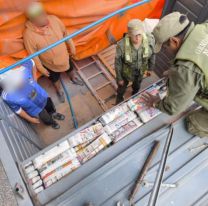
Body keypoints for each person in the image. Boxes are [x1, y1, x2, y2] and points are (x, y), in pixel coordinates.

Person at [142, 12, 208, 138]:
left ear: (174, 41)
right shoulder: (204, 27)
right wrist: (178, 74)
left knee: (192, 124)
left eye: (165, 46)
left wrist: (156, 103)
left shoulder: (186, 70)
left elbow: (174, 108)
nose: (166, 50)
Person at [23, 2, 83, 103]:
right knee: (55, 79)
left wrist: (72, 46)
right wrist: (40, 68)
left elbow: (65, 33)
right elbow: (33, 54)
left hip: (64, 56)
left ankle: (73, 78)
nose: (44, 16)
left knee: (70, 68)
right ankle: (59, 91)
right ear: (32, 20)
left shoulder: (54, 19)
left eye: (43, 13)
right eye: (40, 16)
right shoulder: (28, 35)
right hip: (50, 64)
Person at [0, 59, 65, 129]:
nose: (21, 84)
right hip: (35, 109)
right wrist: (30, 119)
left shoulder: (23, 70)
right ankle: (51, 122)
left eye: (22, 81)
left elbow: (31, 62)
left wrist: (35, 79)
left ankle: (53, 113)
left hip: (42, 96)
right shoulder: (8, 96)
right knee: (45, 117)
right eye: (17, 86)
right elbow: (18, 110)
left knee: (50, 106)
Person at [115, 19, 155, 104]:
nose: (137, 38)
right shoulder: (121, 46)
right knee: (121, 89)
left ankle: (134, 95)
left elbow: (153, 54)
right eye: (134, 35)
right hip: (126, 73)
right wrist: (119, 78)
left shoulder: (149, 40)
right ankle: (119, 100)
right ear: (129, 35)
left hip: (140, 72)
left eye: (139, 34)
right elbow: (118, 63)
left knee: (137, 87)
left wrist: (151, 68)